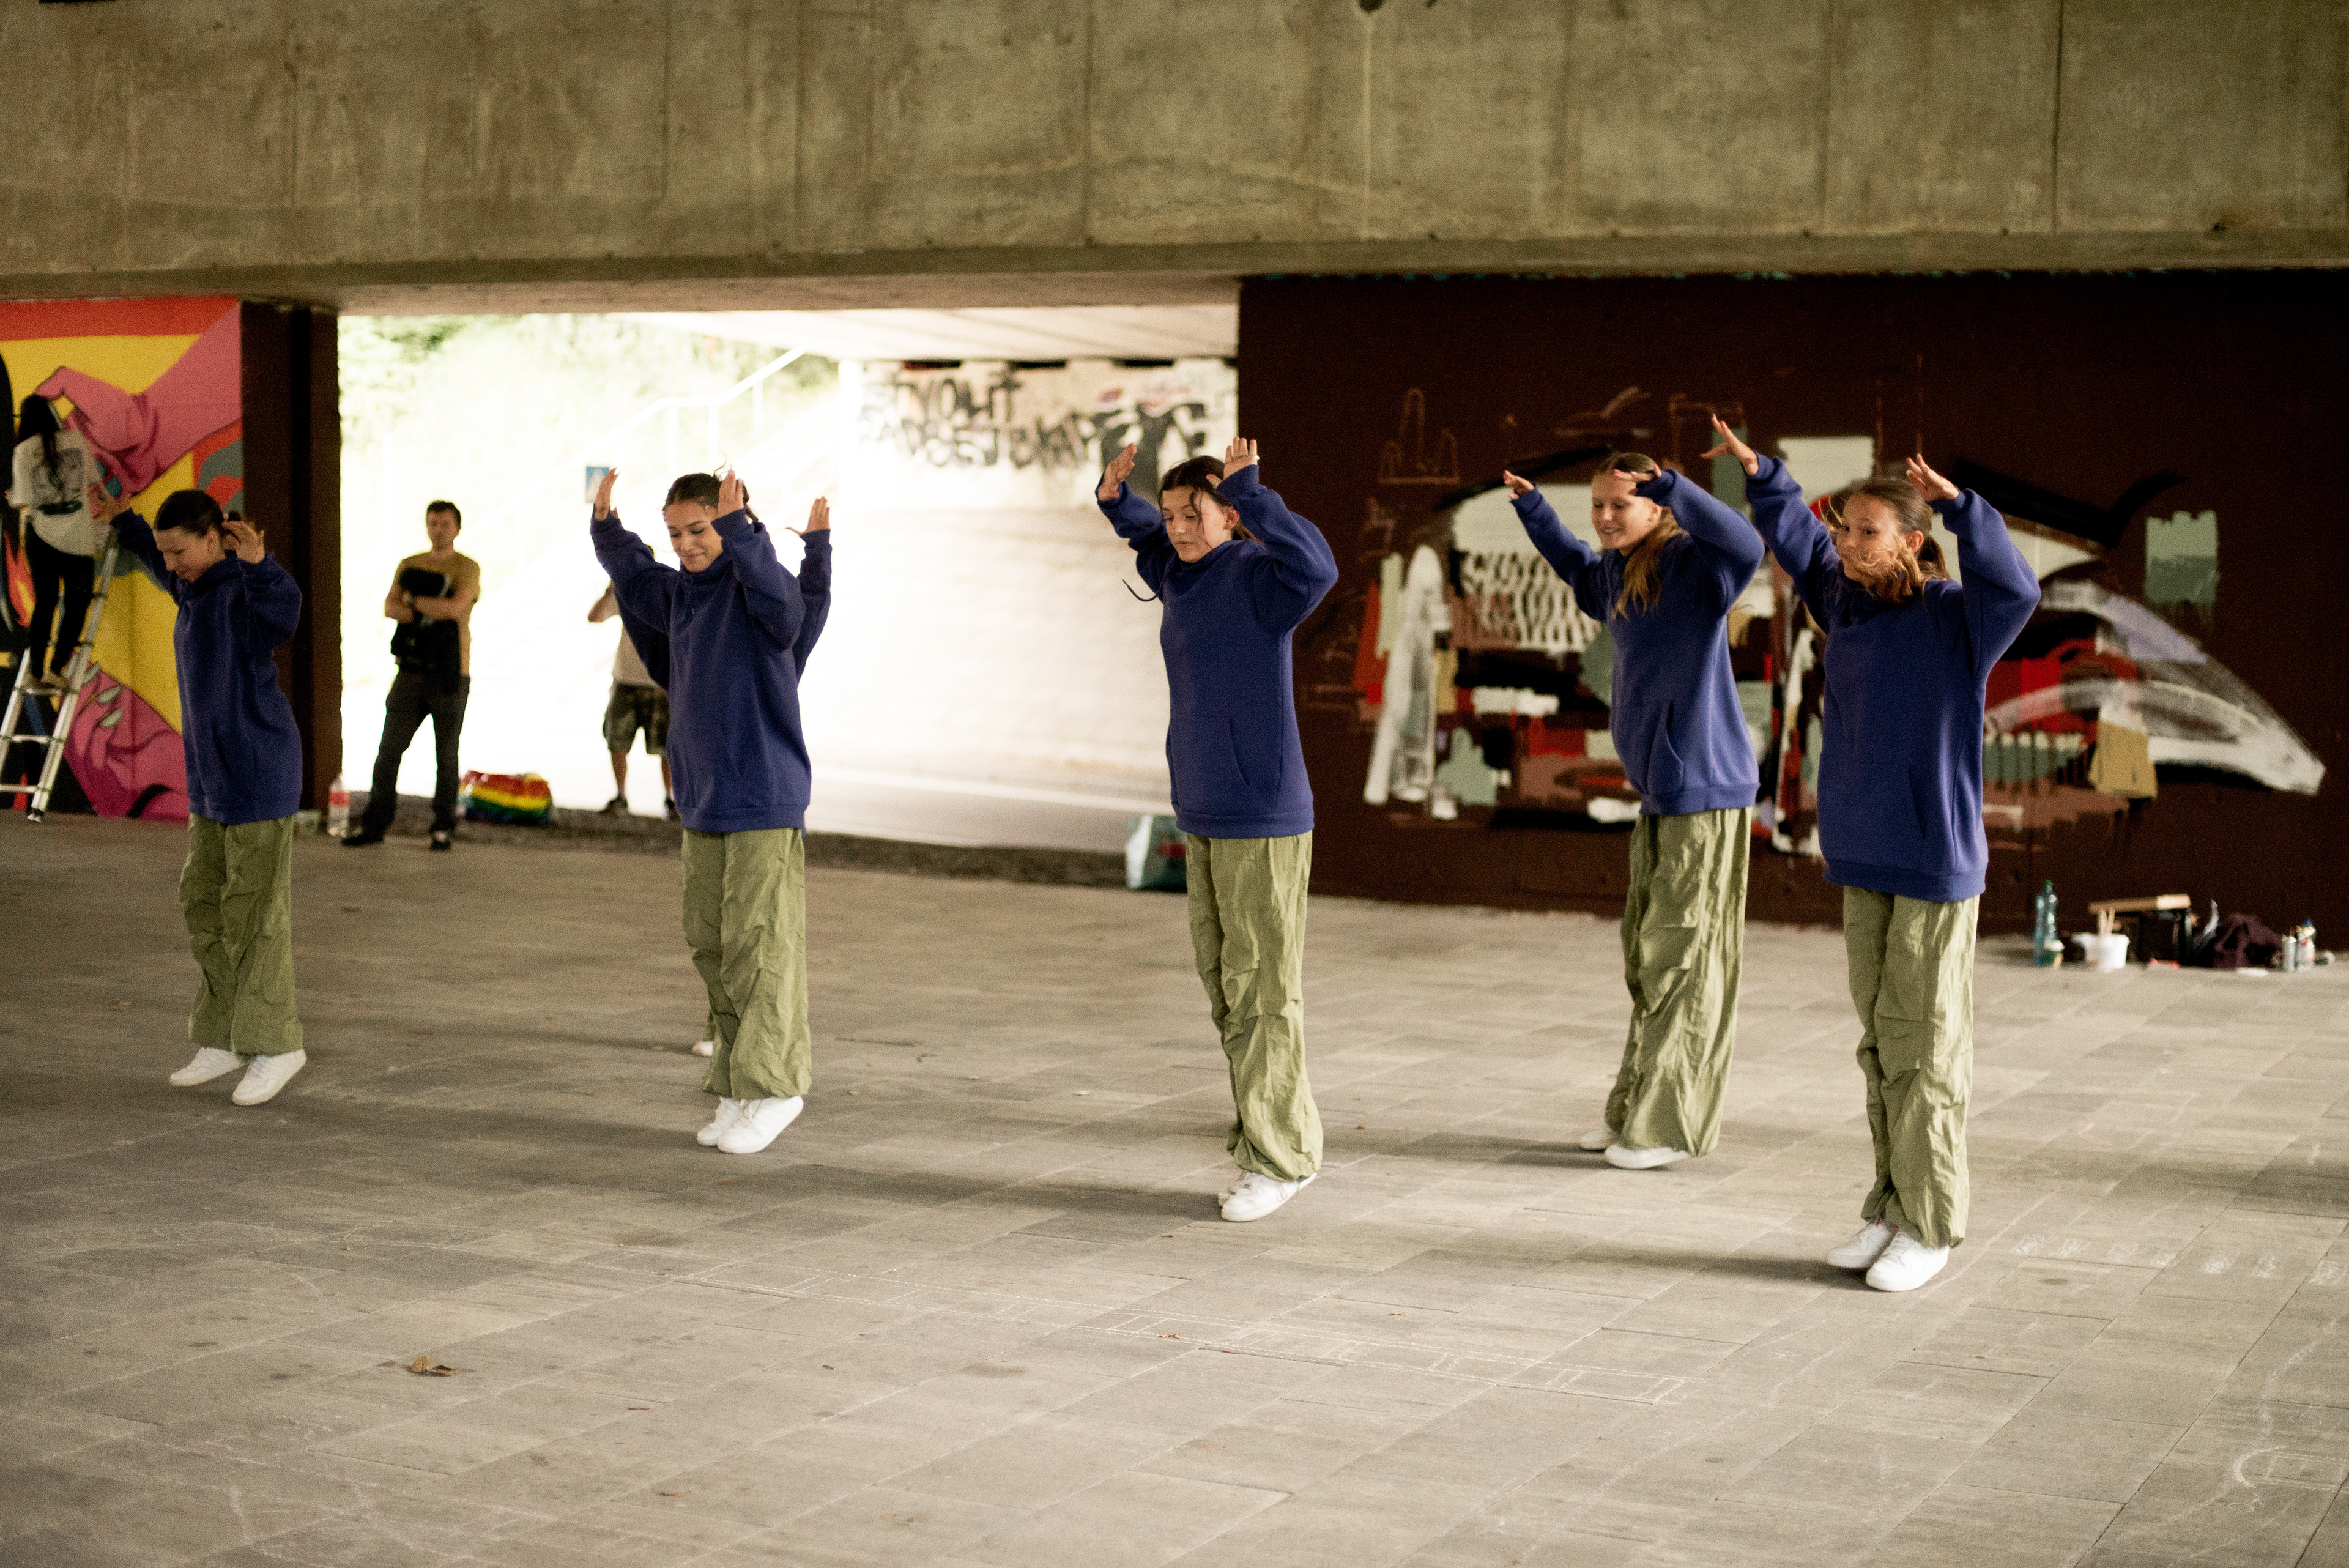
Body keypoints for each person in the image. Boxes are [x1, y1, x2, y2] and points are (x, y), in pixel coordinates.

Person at [1729, 417, 2039, 1292]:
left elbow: (2017, 588)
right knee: (1881, 1045)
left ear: (1911, 539)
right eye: (1846, 529)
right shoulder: (1847, 604)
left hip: (1933, 859)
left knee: (1926, 1048)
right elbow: (1799, 543)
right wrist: (1766, 477)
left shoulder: (1955, 619)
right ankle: (1892, 1207)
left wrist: (1967, 510)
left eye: (1868, 531)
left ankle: (1930, 1225)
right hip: (1864, 854)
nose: (1849, 543)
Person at [1098, 436, 1338, 1223]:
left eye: (1192, 513)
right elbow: (1145, 537)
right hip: (1202, 808)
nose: (1177, 527)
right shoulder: (1178, 574)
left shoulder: (1262, 578)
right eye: (1171, 515)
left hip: (1262, 814)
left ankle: (1282, 1158)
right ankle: (1268, 1136)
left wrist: (1254, 492)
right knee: (1228, 989)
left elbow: (1319, 567)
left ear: (1229, 516)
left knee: (1263, 991)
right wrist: (1118, 501)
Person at [1502, 448, 1762, 1172]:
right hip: (1661, 792)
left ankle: (1668, 1125)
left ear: (1657, 507)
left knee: (1683, 960)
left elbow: (1745, 543)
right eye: (1598, 505)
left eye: (1621, 504)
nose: (1606, 517)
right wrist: (1535, 509)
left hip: (1704, 789)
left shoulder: (1696, 569)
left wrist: (1677, 485)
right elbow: (1573, 565)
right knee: (1650, 959)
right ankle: (1634, 1109)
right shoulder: (1618, 573)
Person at [593, 468, 831, 1154]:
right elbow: (634, 577)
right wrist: (608, 528)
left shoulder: (759, 593)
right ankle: (737, 1082)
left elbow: (794, 610)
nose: (686, 545)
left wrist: (753, 536)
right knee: (714, 947)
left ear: (730, 523)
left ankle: (775, 1086)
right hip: (703, 802)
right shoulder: (680, 597)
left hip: (762, 796)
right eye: (675, 533)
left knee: (760, 948)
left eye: (699, 529)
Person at [89, 483, 309, 1105]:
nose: (170, 564)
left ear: (213, 540)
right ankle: (224, 1034)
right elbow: (156, 557)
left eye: (179, 551)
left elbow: (285, 613)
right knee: (203, 902)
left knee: (255, 913)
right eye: (165, 553)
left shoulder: (242, 589)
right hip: (212, 784)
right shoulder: (195, 586)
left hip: (259, 777)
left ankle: (277, 1044)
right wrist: (128, 523)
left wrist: (262, 565)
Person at [344, 501, 480, 851]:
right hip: (410, 670)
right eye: (433, 523)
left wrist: (413, 600)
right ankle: (375, 824)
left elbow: (454, 609)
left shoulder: (467, 567)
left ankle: (443, 827)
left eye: (445, 524)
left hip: (451, 672)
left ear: (458, 528)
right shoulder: (409, 563)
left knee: (446, 756)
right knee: (388, 751)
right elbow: (390, 607)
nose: (438, 530)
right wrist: (427, 606)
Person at [7, 395, 103, 693]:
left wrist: (12, 499)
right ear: (52, 414)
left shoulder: (23, 450)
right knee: (77, 604)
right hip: (77, 538)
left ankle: (34, 672)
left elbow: (24, 500)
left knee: (45, 602)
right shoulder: (75, 440)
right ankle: (56, 670)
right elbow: (91, 479)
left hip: (40, 538)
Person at [588, 582, 676, 820]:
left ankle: (671, 798)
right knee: (616, 741)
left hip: (658, 685)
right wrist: (610, 591)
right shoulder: (627, 597)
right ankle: (621, 796)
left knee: (667, 747)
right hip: (625, 681)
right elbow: (594, 617)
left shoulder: (668, 598)